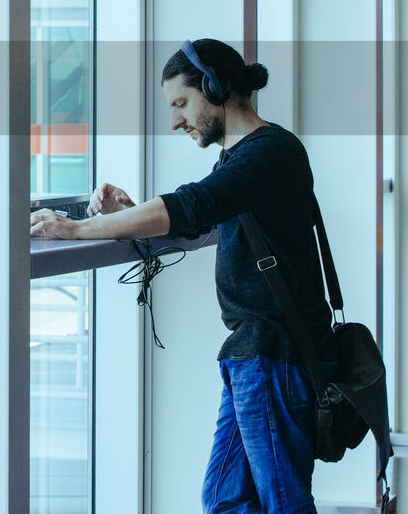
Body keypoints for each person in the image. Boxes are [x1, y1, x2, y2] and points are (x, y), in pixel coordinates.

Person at [30, 39, 334, 514]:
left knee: (283, 503)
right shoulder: (242, 160)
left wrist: (75, 229)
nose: (175, 120)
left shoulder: (270, 153)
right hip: (254, 357)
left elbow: (193, 205)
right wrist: (127, 213)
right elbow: (198, 220)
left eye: (181, 103)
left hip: (274, 356)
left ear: (214, 87)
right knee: (224, 498)